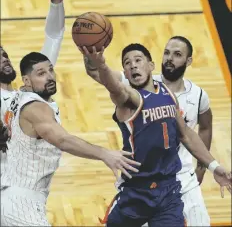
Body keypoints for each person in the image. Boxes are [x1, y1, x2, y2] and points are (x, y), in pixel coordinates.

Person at [80, 45, 231, 227]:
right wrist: (100, 63)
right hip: (136, 192)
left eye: (138, 60)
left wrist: (214, 166)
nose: (133, 66)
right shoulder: (128, 99)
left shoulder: (167, 93)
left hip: (168, 191)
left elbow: (186, 135)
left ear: (151, 65)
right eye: (127, 63)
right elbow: (112, 85)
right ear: (125, 74)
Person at [0, 52, 141, 227]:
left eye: (51, 70)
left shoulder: (19, 97)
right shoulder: (35, 107)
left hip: (14, 197)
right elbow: (63, 140)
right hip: (21, 203)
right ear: (26, 81)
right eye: (41, 74)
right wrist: (105, 154)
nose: (50, 77)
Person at [0, 0, 65, 173]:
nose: (4, 58)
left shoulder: (30, 90)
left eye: (4, 53)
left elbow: (53, 36)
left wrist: (56, 0)